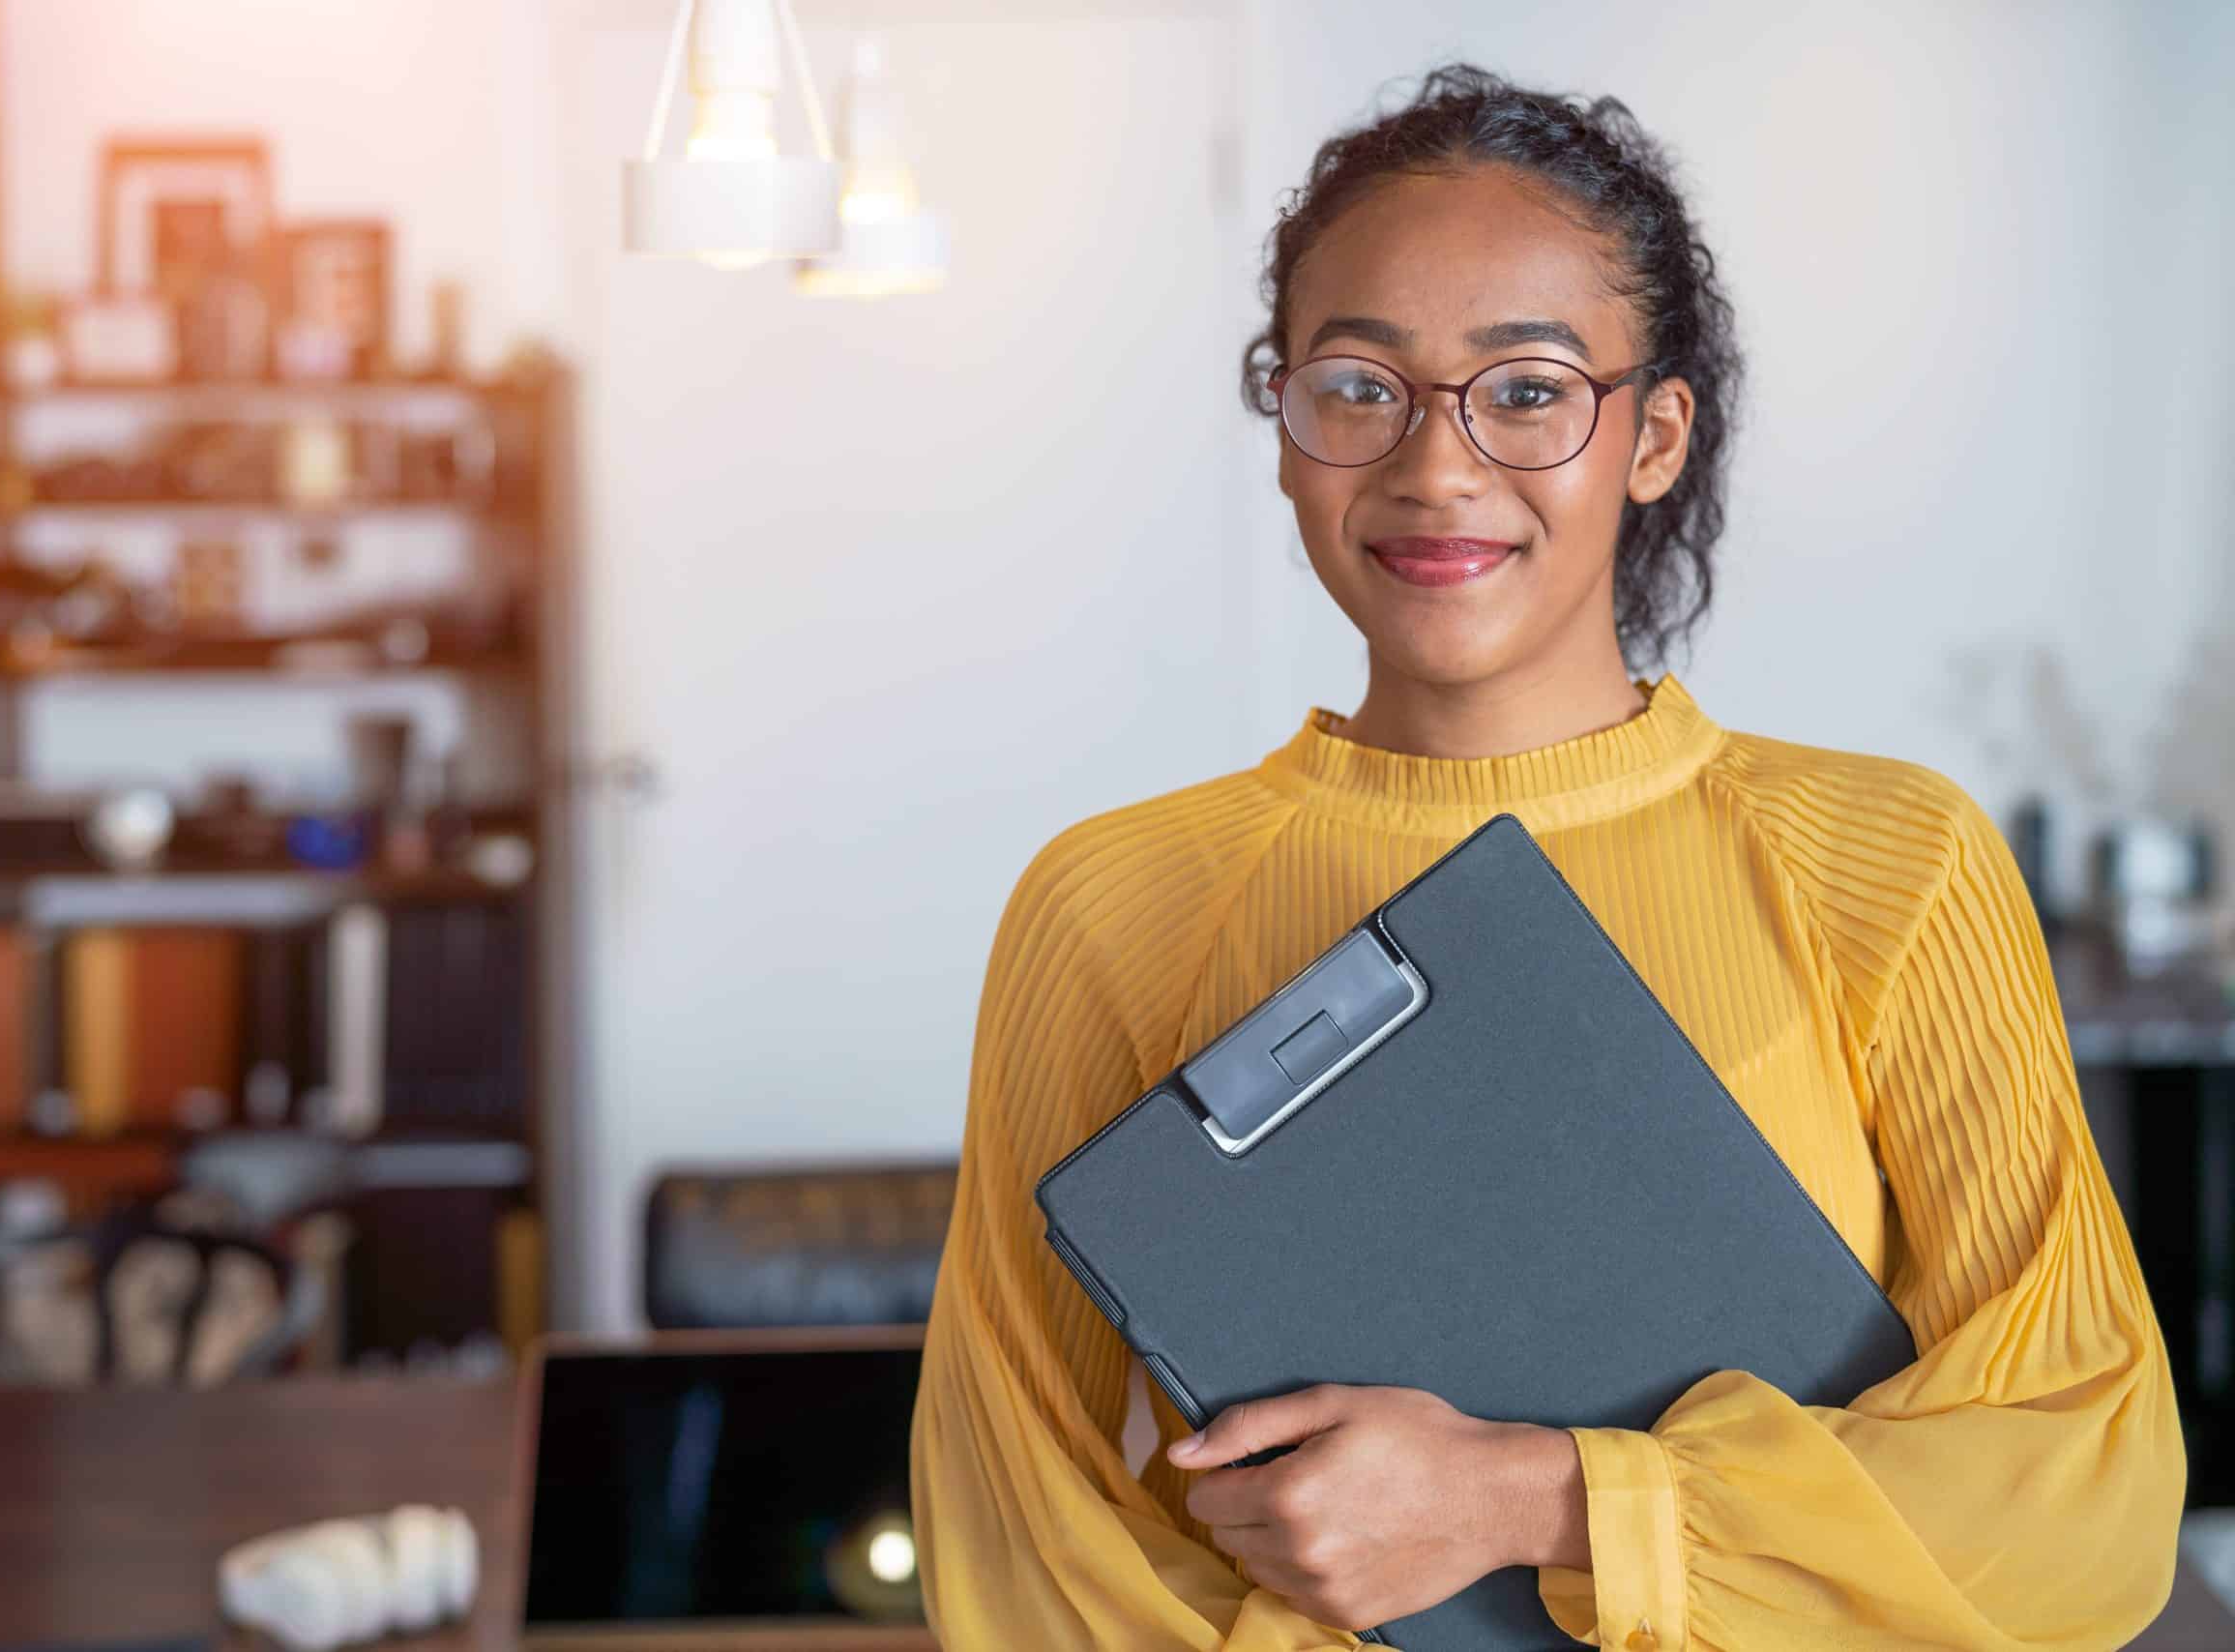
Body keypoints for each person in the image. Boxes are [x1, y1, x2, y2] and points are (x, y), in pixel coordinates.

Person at [906, 62, 2186, 1651]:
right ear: (1285, 425)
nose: (1435, 470)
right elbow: (1012, 1533)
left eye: (1526, 389)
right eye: (1359, 386)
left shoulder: (1893, 863)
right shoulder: (1103, 904)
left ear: (1652, 436)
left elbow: (2086, 1491)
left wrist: (1537, 1500)